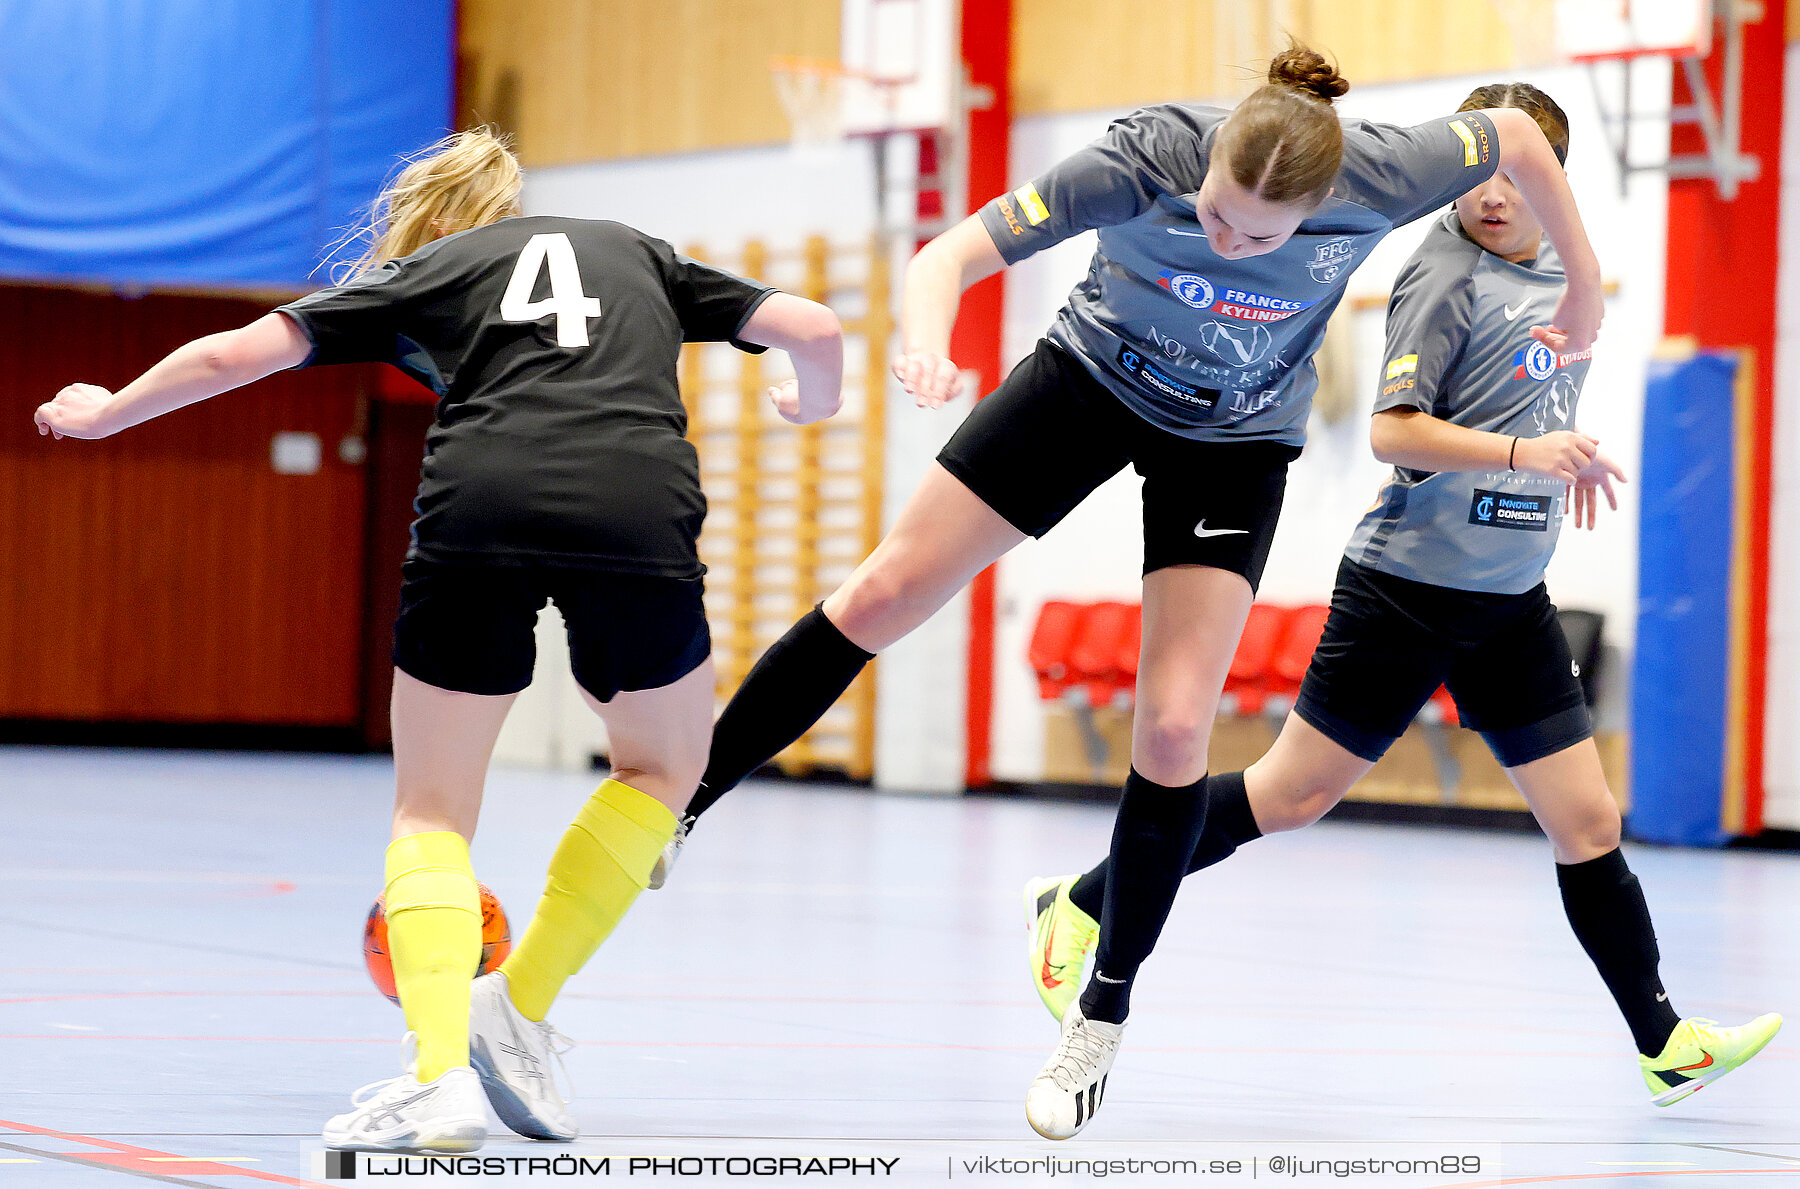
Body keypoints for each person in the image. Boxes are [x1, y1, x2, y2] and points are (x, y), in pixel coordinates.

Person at [659, 44, 1604, 1139]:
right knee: (883, 591)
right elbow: (946, 256)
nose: (1226, 241)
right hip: (1090, 381)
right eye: (1214, 214)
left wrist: (1582, 283)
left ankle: (1099, 1018)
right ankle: (679, 805)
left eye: (1258, 235)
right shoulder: (1139, 158)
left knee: (1170, 728)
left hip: (1235, 439)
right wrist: (925, 348)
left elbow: (1526, 137)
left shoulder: (1384, 171)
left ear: (1323, 207)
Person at [33, 129, 845, 1153]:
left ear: (434, 217)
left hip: (480, 505)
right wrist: (812, 400)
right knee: (666, 764)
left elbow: (230, 353)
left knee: (432, 811)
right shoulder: (637, 248)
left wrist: (110, 412)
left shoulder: (431, 271)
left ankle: (438, 1076)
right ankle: (524, 1001)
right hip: (636, 508)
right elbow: (812, 324)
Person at [1021, 82, 1781, 1128]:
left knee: (1589, 817)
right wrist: (1525, 454)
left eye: (1521, 177)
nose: (1498, 195)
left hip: (1510, 597)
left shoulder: (1568, 267)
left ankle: (1664, 1042)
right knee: (1290, 796)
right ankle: (1086, 898)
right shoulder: (1442, 274)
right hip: (1408, 589)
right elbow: (1393, 433)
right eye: (1484, 176)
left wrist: (1560, 470)